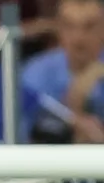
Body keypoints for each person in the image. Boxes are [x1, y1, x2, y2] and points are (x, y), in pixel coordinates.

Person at [21, 0, 104, 142]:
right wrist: (74, 103)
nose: (79, 37)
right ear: (58, 29)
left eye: (89, 26)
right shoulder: (33, 74)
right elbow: (20, 140)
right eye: (69, 26)